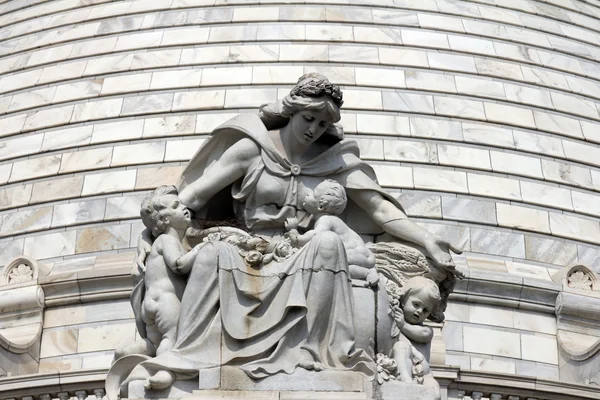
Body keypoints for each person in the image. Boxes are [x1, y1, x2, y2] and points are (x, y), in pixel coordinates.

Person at [120, 73, 461, 393]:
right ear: (292, 111)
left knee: (328, 242)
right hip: (247, 248)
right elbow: (192, 198)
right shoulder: (251, 150)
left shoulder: (334, 163)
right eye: (308, 119)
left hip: (304, 251)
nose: (314, 129)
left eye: (323, 123)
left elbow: (382, 212)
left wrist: (427, 239)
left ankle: (311, 353)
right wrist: (158, 225)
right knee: (213, 252)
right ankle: (188, 353)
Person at [115, 186, 197, 364]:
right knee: (171, 339)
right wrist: (200, 250)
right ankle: (161, 368)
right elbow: (178, 264)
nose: (184, 208)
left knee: (153, 343)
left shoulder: (160, 241)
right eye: (176, 206)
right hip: (166, 301)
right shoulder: (167, 240)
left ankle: (123, 353)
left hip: (150, 305)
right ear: (164, 220)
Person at [285, 179, 379, 287]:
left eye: (314, 194)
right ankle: (367, 271)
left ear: (321, 206)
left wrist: (294, 233)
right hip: (361, 254)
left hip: (358, 253)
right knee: (339, 264)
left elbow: (315, 235)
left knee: (338, 264)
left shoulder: (325, 219)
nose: (308, 193)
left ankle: (368, 272)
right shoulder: (326, 219)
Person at [389, 277, 440, 385]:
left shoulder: (426, 330)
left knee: (435, 393)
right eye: (416, 304)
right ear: (403, 300)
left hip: (424, 375)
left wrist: (403, 325)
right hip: (406, 371)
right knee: (401, 346)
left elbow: (423, 334)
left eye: (426, 310)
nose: (420, 311)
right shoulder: (394, 322)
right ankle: (406, 380)